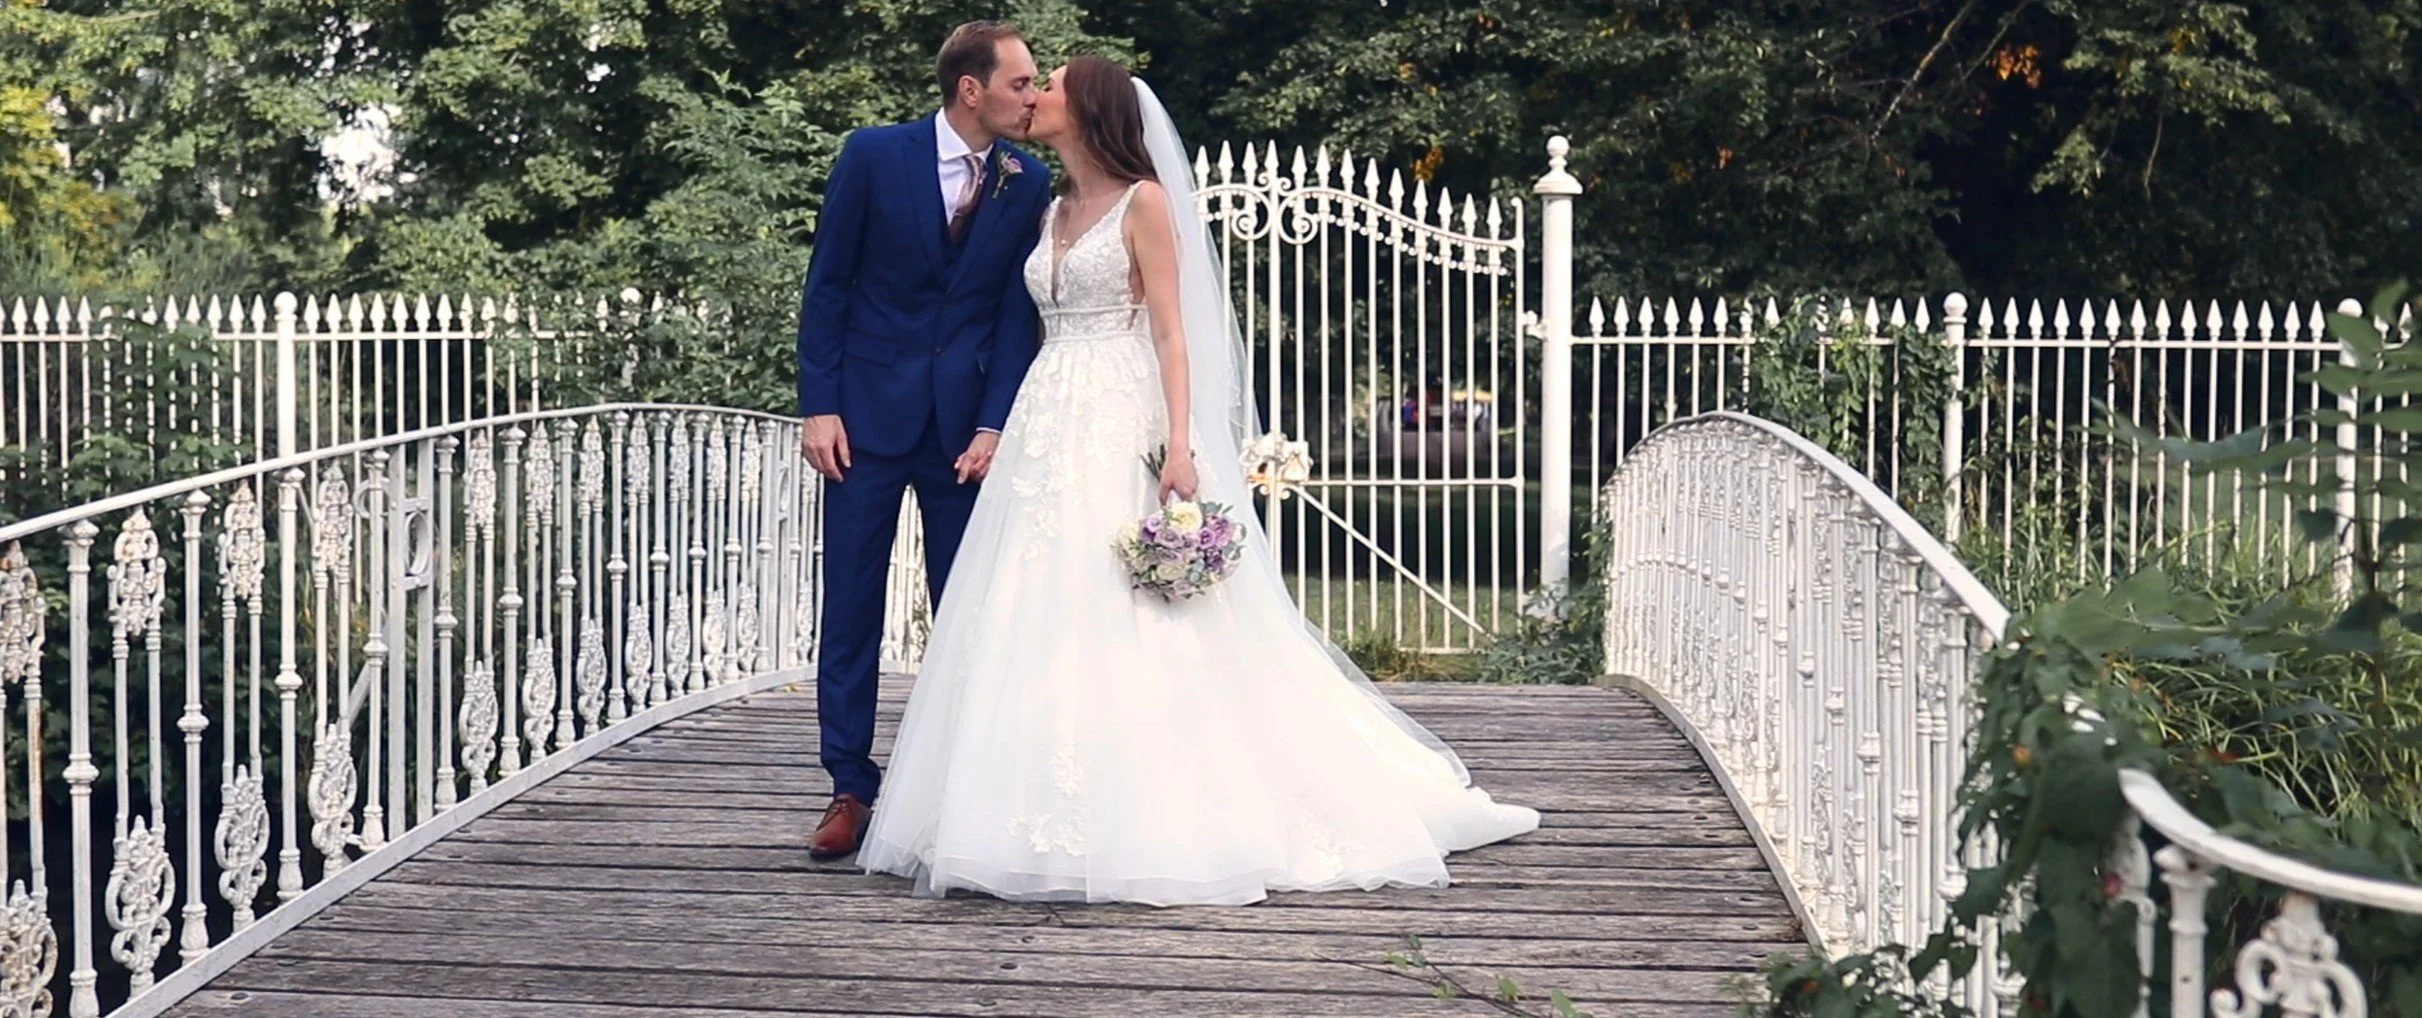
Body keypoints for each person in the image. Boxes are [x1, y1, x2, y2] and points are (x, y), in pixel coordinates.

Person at [852, 54, 1540, 906]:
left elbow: (1174, 334)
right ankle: (1017, 804)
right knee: (1037, 600)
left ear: (1090, 107)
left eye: (1051, 86)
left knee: (1134, 604)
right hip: (1048, 418)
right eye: (1030, 83)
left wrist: (1180, 445)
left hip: (1120, 412)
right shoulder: (1050, 203)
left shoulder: (1145, 202)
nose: (1034, 97)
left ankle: (1166, 804)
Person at [793, 21, 1054, 860]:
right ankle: (848, 786)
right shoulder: (874, 155)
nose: (1034, 95)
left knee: (967, 609)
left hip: (961, 434)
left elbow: (1018, 314)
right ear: (969, 89)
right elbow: (828, 283)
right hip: (862, 424)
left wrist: (993, 423)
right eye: (1020, 83)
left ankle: (954, 788)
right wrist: (819, 405)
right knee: (853, 607)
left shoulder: (1029, 179)